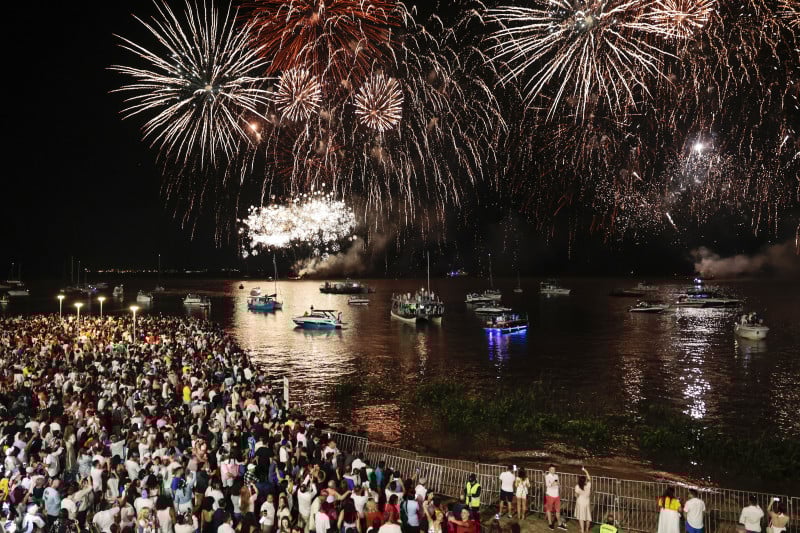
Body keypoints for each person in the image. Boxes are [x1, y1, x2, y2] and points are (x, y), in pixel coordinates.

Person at [544, 465, 566, 530]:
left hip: (557, 495)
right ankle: (550, 524)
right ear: (549, 470)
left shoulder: (556, 476)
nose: (553, 471)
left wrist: (559, 485)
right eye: (552, 469)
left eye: (554, 469)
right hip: (550, 495)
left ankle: (560, 524)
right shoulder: (547, 476)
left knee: (558, 510)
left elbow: (557, 483)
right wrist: (553, 484)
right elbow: (547, 485)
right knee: (549, 510)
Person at [574, 468, 591, 533]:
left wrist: (578, 494)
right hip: (587, 502)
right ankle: (587, 529)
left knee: (581, 517)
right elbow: (589, 478)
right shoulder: (588, 485)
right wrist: (585, 470)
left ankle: (582, 530)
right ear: (585, 481)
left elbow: (576, 495)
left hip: (580, 502)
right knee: (588, 516)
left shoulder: (577, 486)